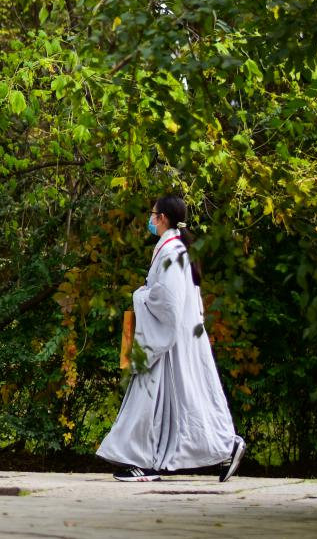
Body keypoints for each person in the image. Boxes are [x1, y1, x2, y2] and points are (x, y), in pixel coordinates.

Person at [97, 196, 246, 482]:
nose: (149, 220)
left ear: (162, 217)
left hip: (170, 343)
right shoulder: (174, 250)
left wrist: (139, 296)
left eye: (152, 215)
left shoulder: (171, 253)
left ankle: (144, 460)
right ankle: (225, 445)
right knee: (186, 400)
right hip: (175, 340)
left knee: (160, 398)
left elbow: (168, 301)